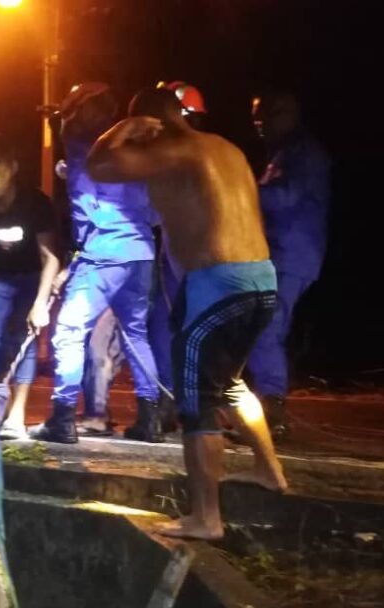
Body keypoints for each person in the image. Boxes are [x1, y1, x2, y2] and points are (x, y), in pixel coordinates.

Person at [86, 86, 288, 540]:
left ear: (150, 125)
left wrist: (123, 128)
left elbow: (97, 164)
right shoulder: (225, 149)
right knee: (228, 383)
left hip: (217, 284)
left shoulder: (171, 150)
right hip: (260, 279)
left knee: (196, 401)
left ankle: (206, 517)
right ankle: (269, 471)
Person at [30, 83, 163, 444]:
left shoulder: (83, 149)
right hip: (141, 252)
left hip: (103, 251)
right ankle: (150, 419)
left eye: (73, 112)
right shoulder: (134, 152)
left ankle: (62, 418)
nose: (68, 120)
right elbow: (153, 212)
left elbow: (86, 208)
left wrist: (77, 257)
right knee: (136, 334)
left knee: (69, 331)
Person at [245, 91, 331, 439]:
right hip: (281, 253)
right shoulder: (284, 152)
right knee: (265, 325)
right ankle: (266, 405)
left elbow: (284, 197)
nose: (259, 126)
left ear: (286, 115)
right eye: (256, 120)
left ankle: (272, 409)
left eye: (264, 118)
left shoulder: (303, 153)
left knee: (265, 325)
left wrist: (239, 189)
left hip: (292, 254)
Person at [0, 133, 60, 439]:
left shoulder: (35, 203)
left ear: (12, 168)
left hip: (33, 275)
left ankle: (17, 414)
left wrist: (40, 303)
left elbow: (51, 258)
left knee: (24, 339)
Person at [148, 81, 210, 432]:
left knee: (191, 330)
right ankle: (171, 401)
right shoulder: (173, 155)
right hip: (176, 256)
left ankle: (195, 405)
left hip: (197, 258)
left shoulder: (198, 155)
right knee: (164, 327)